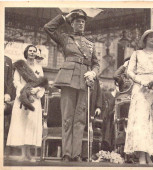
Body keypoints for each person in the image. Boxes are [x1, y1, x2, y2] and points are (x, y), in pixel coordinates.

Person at [44, 9, 99, 162]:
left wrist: (93, 73)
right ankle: (67, 153)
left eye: (82, 21)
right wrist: (63, 18)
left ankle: (76, 154)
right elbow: (48, 28)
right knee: (67, 118)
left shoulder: (90, 44)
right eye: (76, 21)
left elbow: (96, 64)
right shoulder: (65, 38)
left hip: (84, 81)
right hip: (68, 79)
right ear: (72, 24)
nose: (80, 23)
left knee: (80, 119)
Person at [124, 30, 153, 165]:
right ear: (144, 39)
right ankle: (142, 155)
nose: (152, 39)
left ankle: (150, 154)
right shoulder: (137, 54)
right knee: (142, 121)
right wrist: (142, 81)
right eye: (150, 37)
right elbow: (129, 72)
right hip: (141, 88)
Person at [7, 45, 47, 161]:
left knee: (31, 125)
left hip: (34, 99)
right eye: (30, 51)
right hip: (23, 99)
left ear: (36, 54)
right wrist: (25, 91)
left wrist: (37, 90)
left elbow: (42, 83)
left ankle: (29, 154)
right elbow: (16, 82)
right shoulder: (20, 66)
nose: (32, 53)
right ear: (26, 52)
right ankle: (23, 154)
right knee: (22, 125)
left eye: (34, 51)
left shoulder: (39, 68)